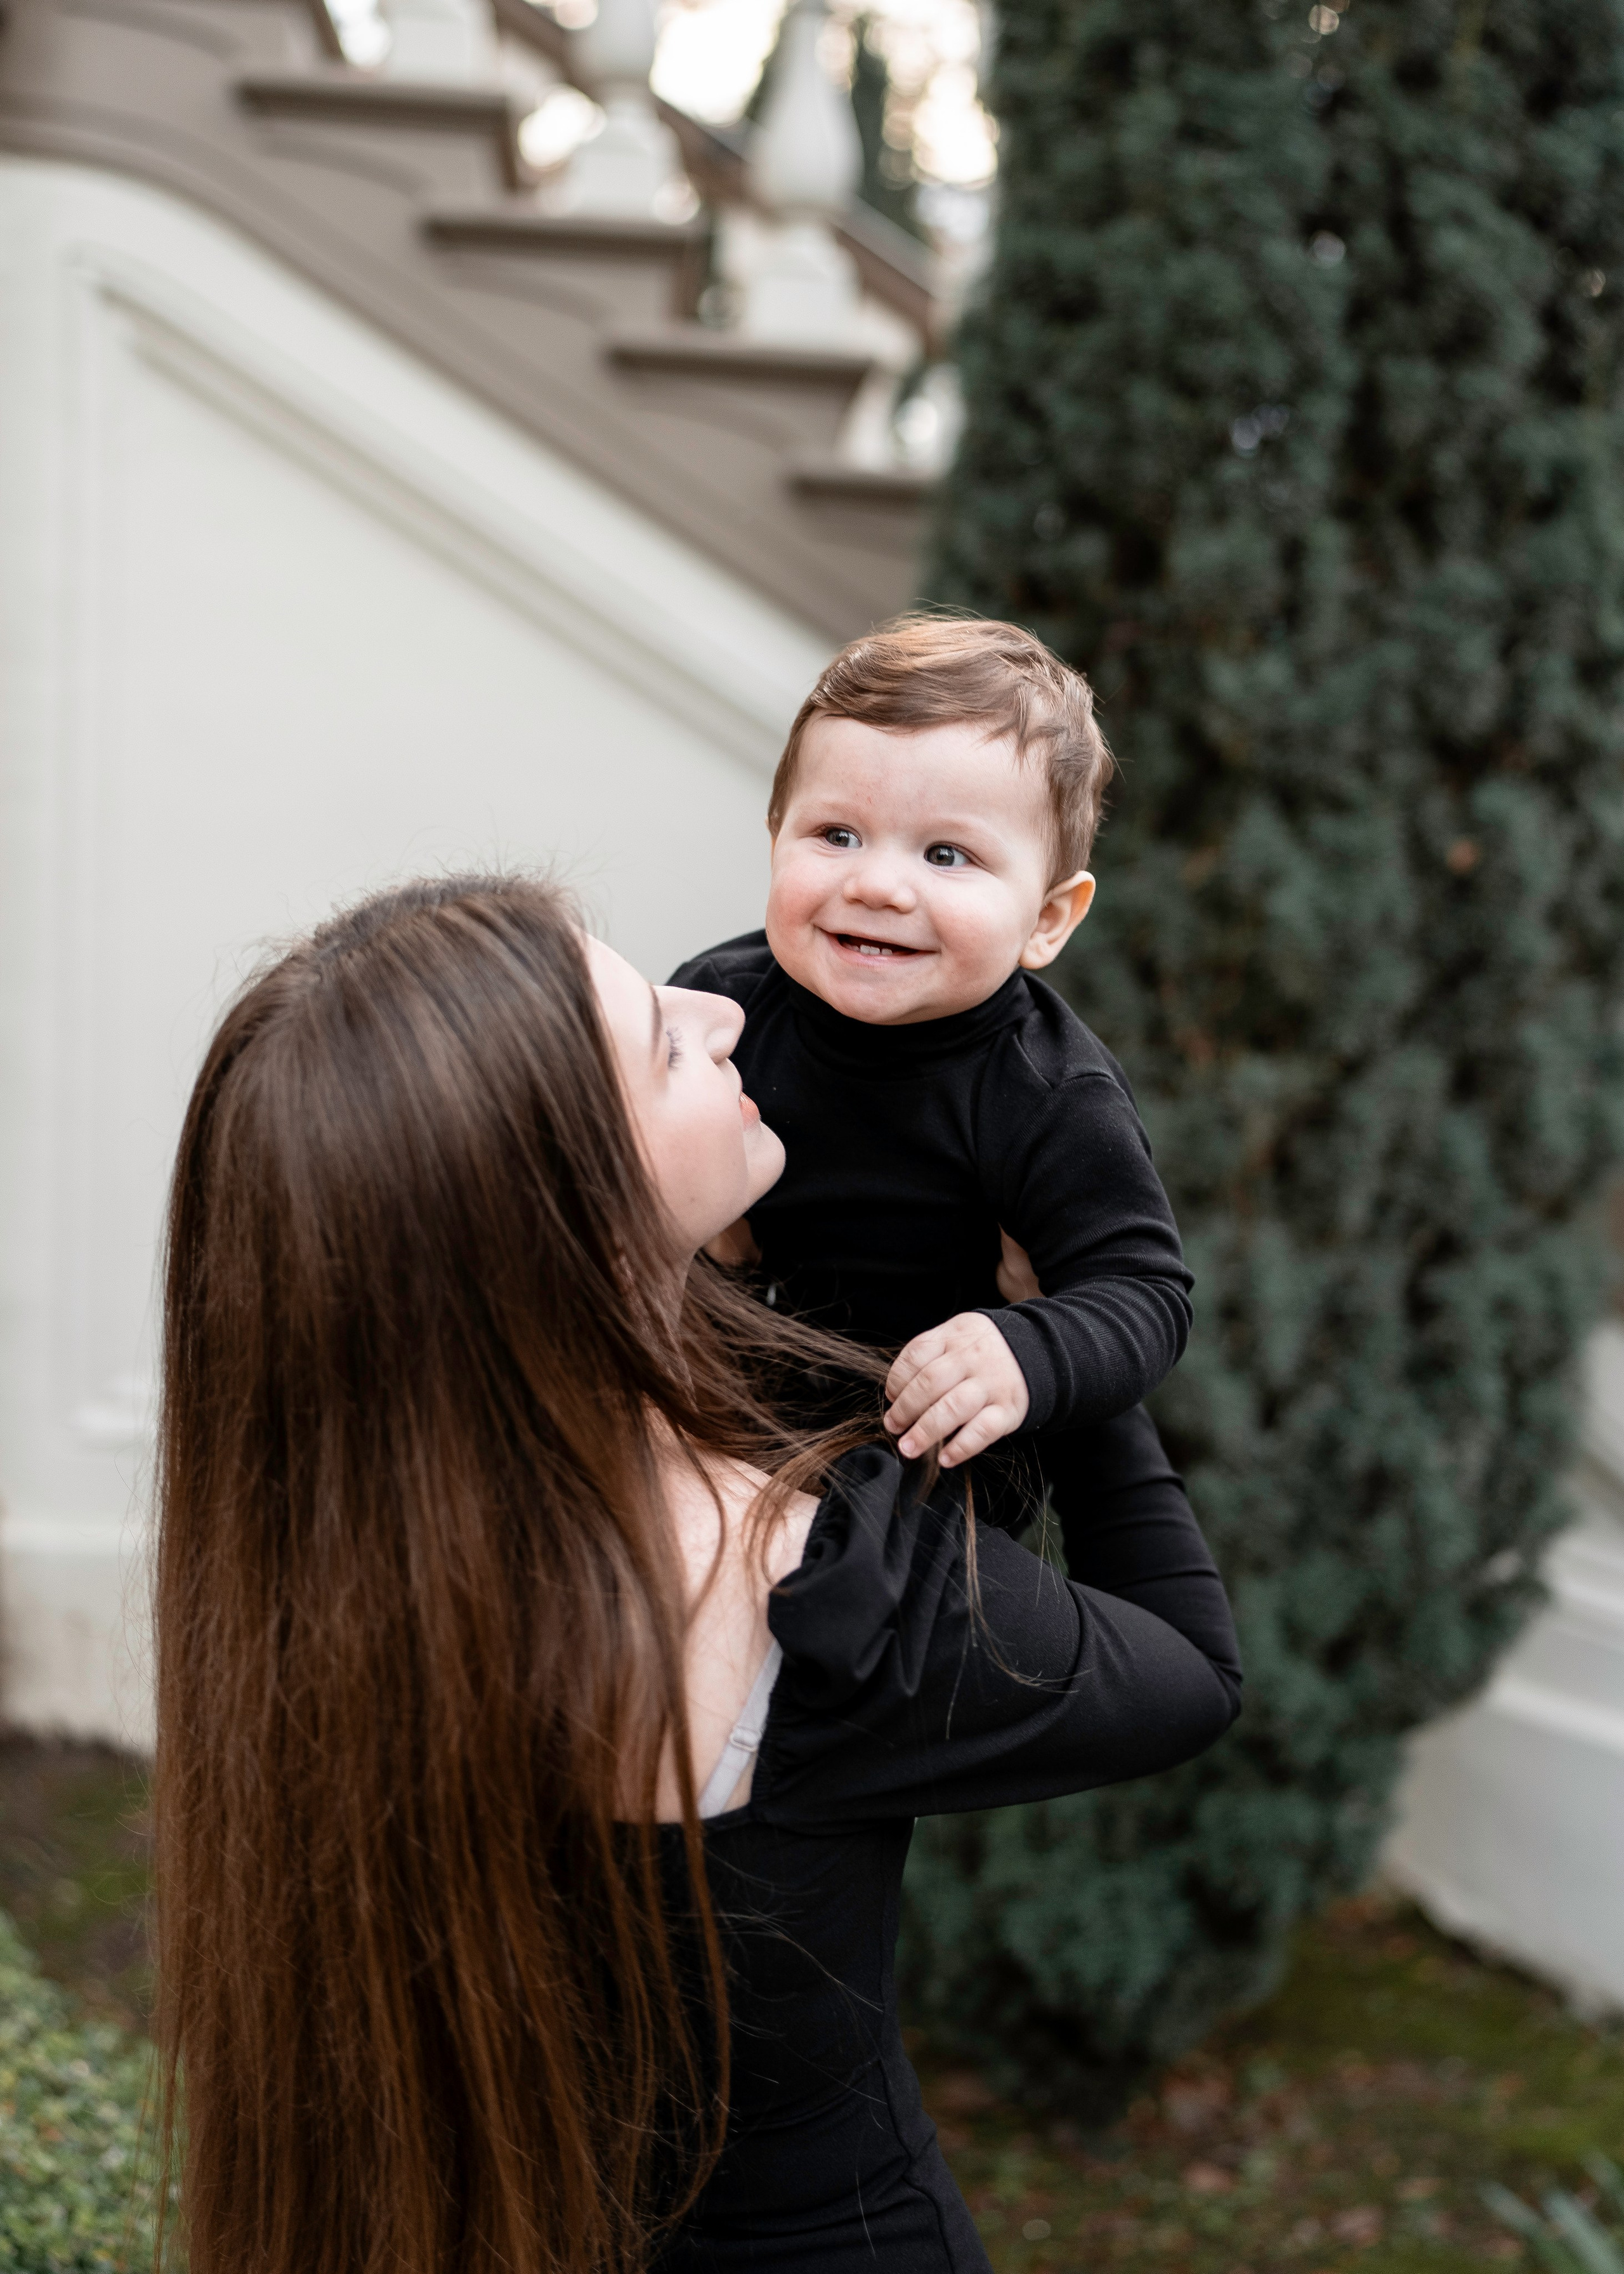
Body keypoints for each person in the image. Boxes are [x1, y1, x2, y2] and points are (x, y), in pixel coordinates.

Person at [153, 872, 1240, 2274]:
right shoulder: (816, 1581)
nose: (721, 1010)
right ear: (575, 1210)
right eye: (664, 1044)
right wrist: (1054, 1347)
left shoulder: (312, 1568)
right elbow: (1186, 1672)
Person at [671, 610, 1189, 1555]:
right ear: (775, 835)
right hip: (714, 1411)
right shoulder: (722, 1003)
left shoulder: (1048, 1093)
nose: (878, 885)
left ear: (1048, 920)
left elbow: (1145, 1294)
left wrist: (1029, 1351)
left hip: (921, 1480)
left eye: (946, 855)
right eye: (837, 834)